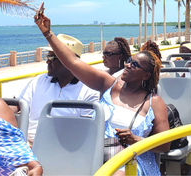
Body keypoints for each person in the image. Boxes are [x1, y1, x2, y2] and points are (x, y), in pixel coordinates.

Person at [34, 13, 169, 176]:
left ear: (146, 75)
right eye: (129, 61)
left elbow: (164, 145)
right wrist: (47, 33)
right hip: (96, 154)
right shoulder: (109, 84)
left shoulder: (154, 102)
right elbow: (73, 63)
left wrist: (136, 140)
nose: (127, 65)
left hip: (132, 159)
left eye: (134, 65)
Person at [19, 34, 100, 145]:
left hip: (63, 149)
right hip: (27, 145)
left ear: (67, 61)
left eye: (52, 58)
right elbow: (18, 106)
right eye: (47, 57)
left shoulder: (88, 90)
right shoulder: (39, 80)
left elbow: (86, 132)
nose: (47, 62)